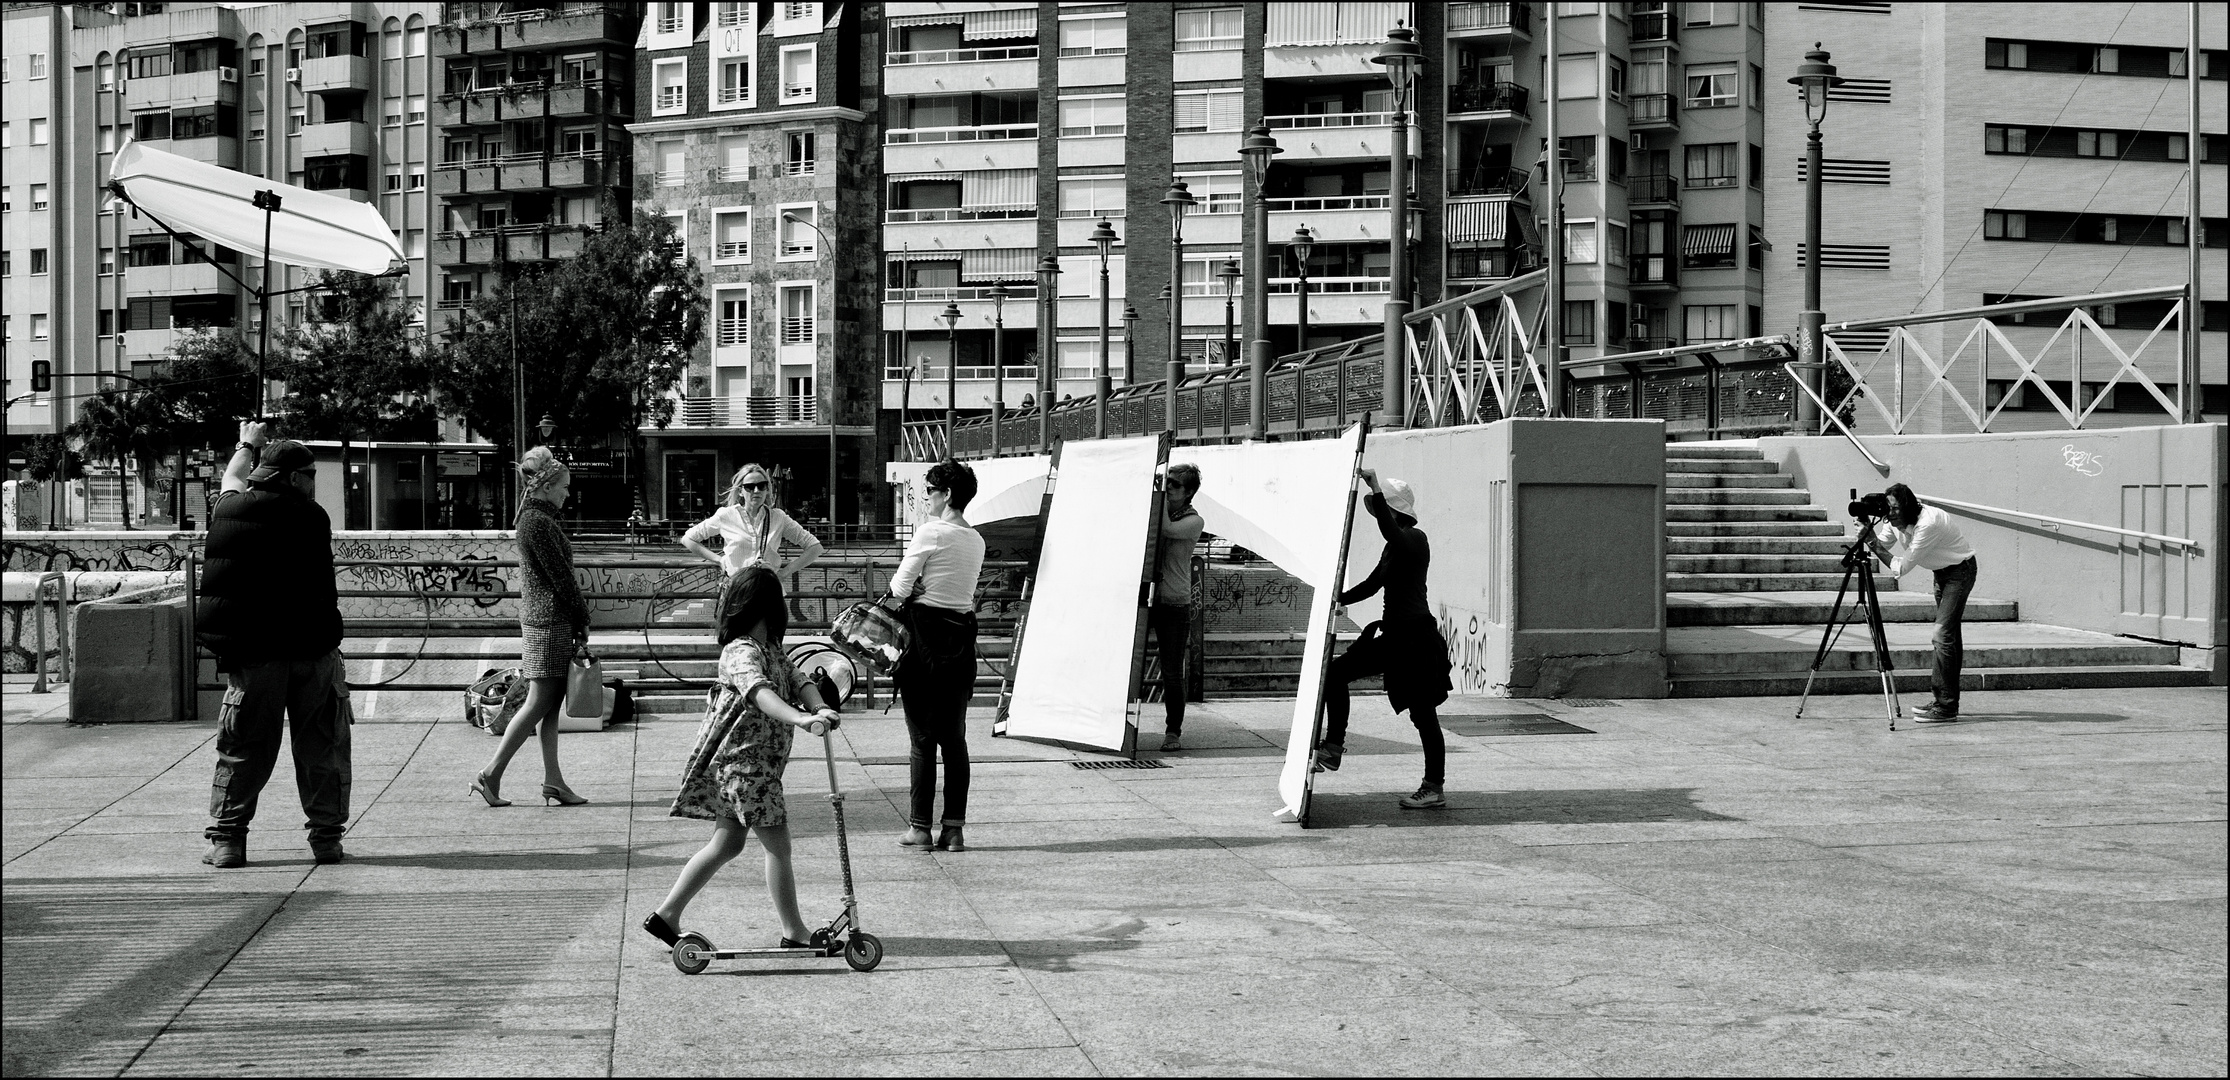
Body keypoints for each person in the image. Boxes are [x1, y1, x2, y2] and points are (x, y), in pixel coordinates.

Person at [642, 567, 840, 950]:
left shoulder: (770, 649)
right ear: (769, 606)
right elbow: (758, 692)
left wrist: (819, 706)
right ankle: (794, 931)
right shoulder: (741, 651)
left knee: (726, 844)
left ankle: (666, 915)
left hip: (755, 763)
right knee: (779, 847)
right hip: (745, 765)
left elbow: (799, 679)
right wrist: (800, 717)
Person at [196, 422, 349, 868]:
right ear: (295, 478)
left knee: (243, 748)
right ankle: (326, 840)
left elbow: (230, 478)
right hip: (312, 652)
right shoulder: (312, 518)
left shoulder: (228, 510)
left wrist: (247, 442)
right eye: (312, 476)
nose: (315, 484)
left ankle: (227, 841)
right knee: (322, 747)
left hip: (255, 656)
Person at [1313, 469, 1454, 810]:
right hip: (1395, 638)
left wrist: (1374, 485)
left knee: (1423, 715)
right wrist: (1337, 598)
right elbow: (1372, 585)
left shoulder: (1414, 538)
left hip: (1417, 639)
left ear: (1394, 511)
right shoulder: (1393, 547)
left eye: (1381, 510)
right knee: (1335, 673)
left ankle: (1433, 787)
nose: (1378, 516)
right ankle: (1333, 748)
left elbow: (1390, 531)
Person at [471, 447, 592, 807]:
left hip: (546, 620)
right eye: (565, 486)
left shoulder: (535, 519)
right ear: (548, 485)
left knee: (548, 706)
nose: (567, 493)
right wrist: (582, 618)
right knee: (540, 701)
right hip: (548, 622)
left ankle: (553, 781)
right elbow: (561, 579)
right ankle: (490, 774)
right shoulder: (537, 523)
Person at [890, 459, 986, 852]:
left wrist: (916, 590)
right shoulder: (976, 540)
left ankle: (919, 827)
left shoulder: (931, 531)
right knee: (955, 740)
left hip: (923, 642)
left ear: (946, 495)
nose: (927, 496)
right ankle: (954, 829)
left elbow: (898, 588)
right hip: (960, 643)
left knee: (922, 740)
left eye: (930, 489)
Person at [1866, 483, 1978, 723]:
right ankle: (1946, 701)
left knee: (1940, 635)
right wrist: (1870, 535)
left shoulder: (1928, 523)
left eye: (1895, 509)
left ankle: (1945, 707)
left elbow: (1900, 567)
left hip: (1960, 572)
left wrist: (1872, 542)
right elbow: (1883, 544)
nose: (1891, 514)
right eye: (1888, 508)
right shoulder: (1892, 520)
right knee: (1949, 637)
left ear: (1908, 507)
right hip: (1941, 574)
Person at [680, 463, 824, 581]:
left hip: (768, 590)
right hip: (738, 590)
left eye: (762, 486)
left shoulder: (778, 517)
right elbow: (688, 539)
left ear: (767, 489)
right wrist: (719, 560)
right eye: (749, 487)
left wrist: (784, 573)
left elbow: (815, 547)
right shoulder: (727, 515)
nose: (756, 491)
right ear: (741, 491)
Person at [1150, 464, 1206, 752]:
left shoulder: (1193, 521)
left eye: (1174, 484)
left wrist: (1156, 493)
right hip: (1146, 596)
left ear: (1189, 493)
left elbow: (1167, 530)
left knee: (1172, 671)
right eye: (1166, 482)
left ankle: (1173, 730)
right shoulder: (1159, 508)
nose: (1168, 487)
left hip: (1173, 600)